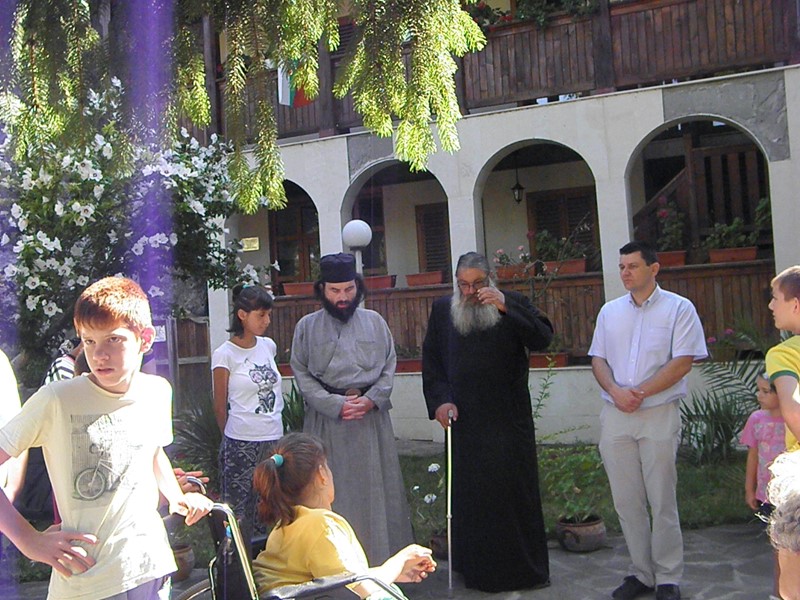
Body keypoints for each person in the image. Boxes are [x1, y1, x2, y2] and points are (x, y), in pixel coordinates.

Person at [0, 276, 212, 600]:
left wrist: (177, 497)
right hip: (85, 579)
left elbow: (152, 452)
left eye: (113, 339)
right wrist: (28, 540)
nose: (99, 354)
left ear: (145, 339)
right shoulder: (56, 399)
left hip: (150, 569)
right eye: (89, 341)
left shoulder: (157, 391)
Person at [421, 251, 554, 592]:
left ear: (491, 279)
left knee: (513, 496)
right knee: (472, 500)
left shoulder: (512, 303)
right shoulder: (443, 310)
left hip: (508, 421)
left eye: (477, 284)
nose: (470, 292)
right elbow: (432, 361)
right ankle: (475, 571)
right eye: (463, 285)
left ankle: (523, 571)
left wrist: (506, 306)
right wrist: (440, 401)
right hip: (464, 423)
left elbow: (542, 337)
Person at [588, 241, 707, 600]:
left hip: (657, 414)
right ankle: (642, 573)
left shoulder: (679, 309)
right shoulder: (609, 312)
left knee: (661, 498)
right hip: (616, 415)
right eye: (621, 266)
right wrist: (616, 391)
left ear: (653, 269)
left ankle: (668, 577)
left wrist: (637, 392)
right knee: (626, 501)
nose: (625, 273)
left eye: (633, 266)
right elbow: (598, 359)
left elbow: (682, 361)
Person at [290, 253, 412, 564]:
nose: (342, 297)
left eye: (348, 289)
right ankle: (331, 566)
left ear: (357, 287)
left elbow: (389, 366)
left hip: (370, 422)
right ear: (322, 289)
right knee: (326, 492)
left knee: (376, 494)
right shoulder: (306, 327)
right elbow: (301, 373)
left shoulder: (375, 322)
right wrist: (334, 405)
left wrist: (371, 400)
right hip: (326, 423)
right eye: (335, 290)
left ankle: (382, 565)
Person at [251, 432, 435, 598]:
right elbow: (357, 590)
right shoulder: (321, 526)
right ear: (322, 474)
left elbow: (335, 580)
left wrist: (391, 572)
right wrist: (400, 561)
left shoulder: (286, 524)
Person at [212, 283, 283, 553]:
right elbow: (220, 405)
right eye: (260, 315)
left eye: (268, 315)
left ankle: (270, 562)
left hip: (273, 438)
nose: (266, 321)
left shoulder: (268, 346)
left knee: (270, 505)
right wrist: (230, 438)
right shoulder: (225, 354)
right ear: (242, 315)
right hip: (240, 441)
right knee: (238, 511)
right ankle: (235, 565)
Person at [766, 265, 800, 451]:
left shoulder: (784, 354)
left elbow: (793, 410)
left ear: (795, 305)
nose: (771, 306)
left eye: (775, 298)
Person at [741, 372, 784, 517]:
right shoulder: (756, 419)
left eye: (766, 391)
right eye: (758, 390)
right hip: (765, 494)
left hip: (791, 492)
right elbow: (753, 456)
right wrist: (749, 490)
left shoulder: (794, 419)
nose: (759, 396)